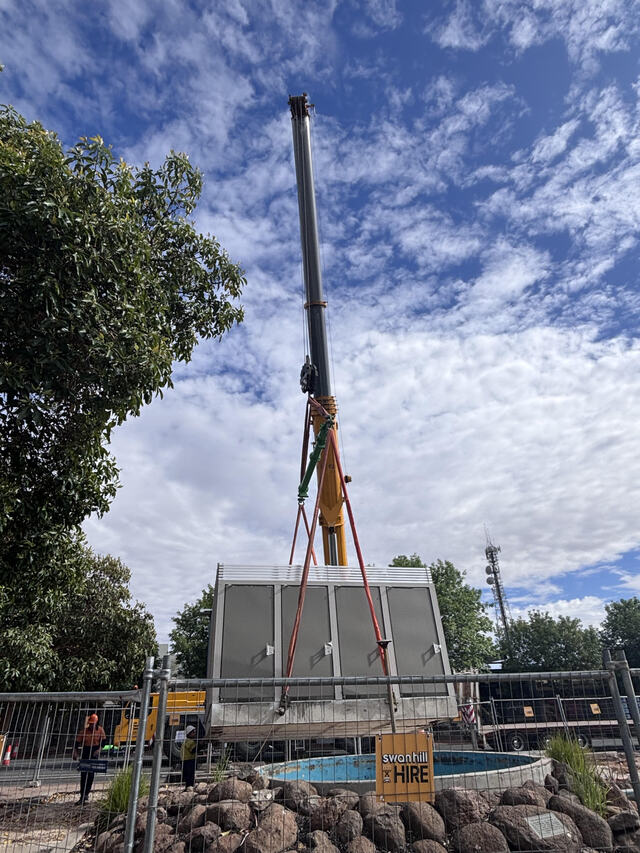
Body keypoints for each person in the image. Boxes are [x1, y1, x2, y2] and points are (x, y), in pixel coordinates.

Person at [72, 713, 106, 804]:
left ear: (96, 723)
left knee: (91, 774)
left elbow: (103, 742)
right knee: (84, 774)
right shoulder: (84, 731)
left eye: (93, 724)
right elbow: (77, 742)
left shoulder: (100, 730)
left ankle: (87, 794)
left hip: (94, 752)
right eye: (90, 723)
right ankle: (82, 795)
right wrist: (75, 752)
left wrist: (99, 750)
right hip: (86, 751)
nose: (91, 725)